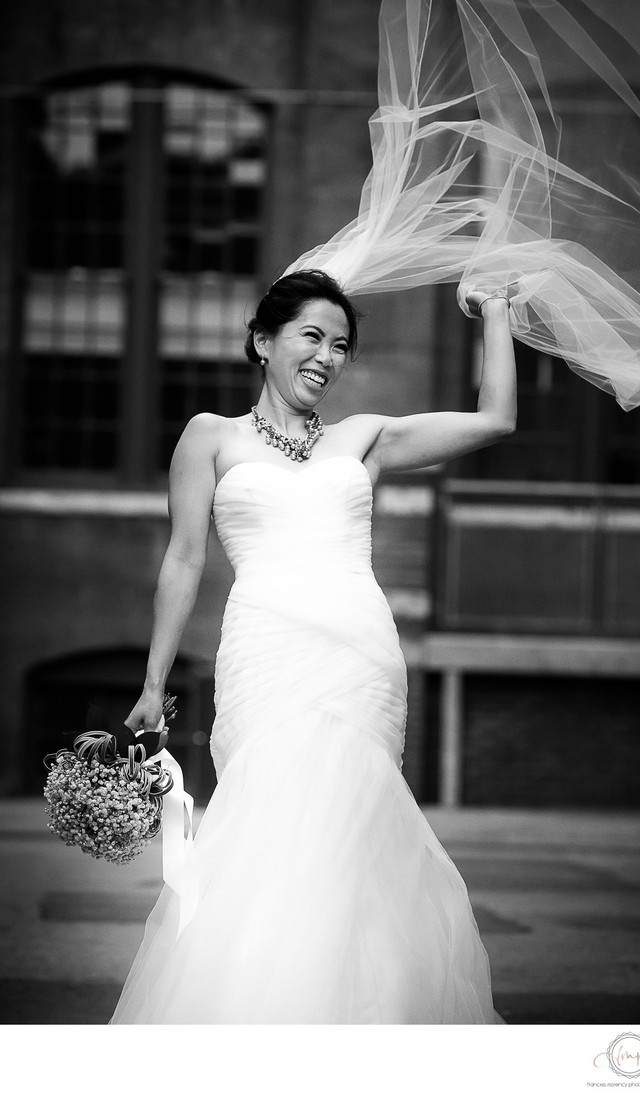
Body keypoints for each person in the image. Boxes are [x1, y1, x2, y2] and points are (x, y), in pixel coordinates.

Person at [110, 269, 515, 1024]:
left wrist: (495, 310)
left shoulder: (363, 438)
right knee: (271, 828)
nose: (329, 356)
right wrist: (151, 679)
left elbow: (495, 419)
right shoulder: (210, 436)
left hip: (358, 656)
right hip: (265, 651)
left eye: (342, 344)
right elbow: (185, 559)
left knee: (349, 840)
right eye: (312, 336)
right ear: (263, 341)